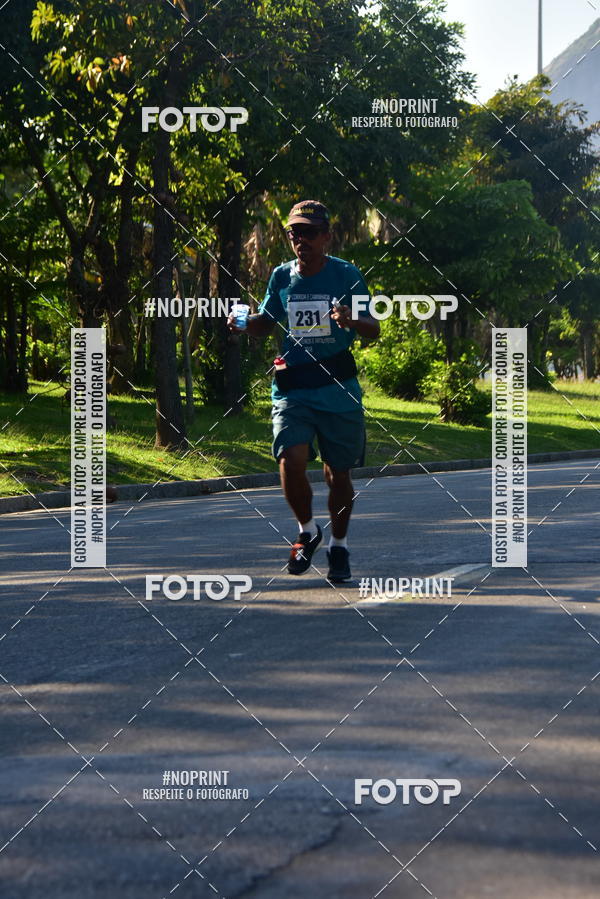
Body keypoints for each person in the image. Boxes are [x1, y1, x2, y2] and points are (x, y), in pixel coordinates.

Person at [228, 200, 379, 582]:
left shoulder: (347, 275)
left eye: (310, 233)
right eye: (295, 233)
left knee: (338, 474)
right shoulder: (282, 276)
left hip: (337, 388)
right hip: (293, 386)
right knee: (289, 459)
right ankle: (307, 530)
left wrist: (352, 319)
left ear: (326, 236)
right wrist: (243, 323)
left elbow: (373, 328)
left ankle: (339, 546)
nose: (301, 240)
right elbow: (266, 322)